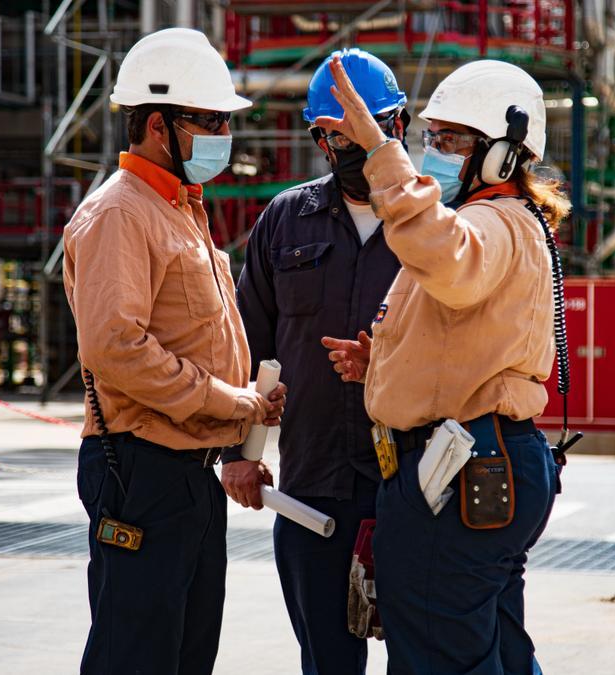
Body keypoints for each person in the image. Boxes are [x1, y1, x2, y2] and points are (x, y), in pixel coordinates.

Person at [318, 57, 569, 674]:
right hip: (473, 462)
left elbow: (448, 262)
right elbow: (468, 336)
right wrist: (387, 363)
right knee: (490, 649)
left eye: (451, 140)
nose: (435, 151)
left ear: (504, 154)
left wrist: (381, 153)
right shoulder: (497, 223)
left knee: (438, 652)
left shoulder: (490, 221)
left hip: (460, 468)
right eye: (431, 138)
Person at [62, 27, 287, 675]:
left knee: (186, 653)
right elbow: (118, 347)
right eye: (211, 120)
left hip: (187, 469)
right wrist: (229, 397)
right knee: (136, 654)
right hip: (140, 467)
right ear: (157, 124)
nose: (224, 134)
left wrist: (244, 403)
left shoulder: (180, 208)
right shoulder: (121, 213)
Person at [223, 48, 407, 675]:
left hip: (409, 487)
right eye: (332, 135)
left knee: (422, 654)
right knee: (327, 661)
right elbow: (250, 348)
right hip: (313, 491)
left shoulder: (433, 225)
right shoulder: (286, 220)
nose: (346, 145)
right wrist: (240, 457)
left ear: (396, 126)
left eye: (360, 129)